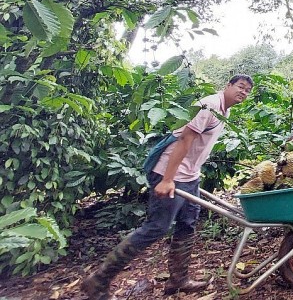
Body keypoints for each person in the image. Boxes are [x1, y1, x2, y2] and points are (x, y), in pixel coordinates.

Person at [81, 75, 254, 299]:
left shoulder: (224, 111)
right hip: (170, 173)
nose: (244, 92)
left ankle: (178, 280)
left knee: (187, 224)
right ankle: (99, 280)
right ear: (228, 86)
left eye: (248, 90)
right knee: (157, 227)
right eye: (240, 87)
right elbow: (184, 139)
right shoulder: (209, 105)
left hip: (190, 175)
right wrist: (167, 179)